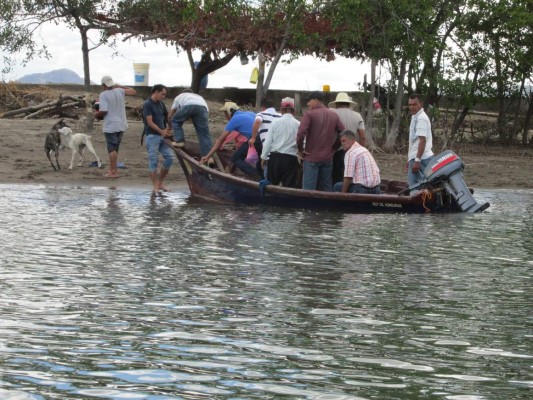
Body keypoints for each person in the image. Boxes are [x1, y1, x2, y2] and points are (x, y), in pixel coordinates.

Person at [297, 91, 345, 191]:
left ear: (316, 100)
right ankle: (326, 205)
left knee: (309, 189)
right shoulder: (333, 115)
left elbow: (301, 133)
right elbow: (343, 133)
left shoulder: (309, 114)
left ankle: (308, 206)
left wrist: (301, 150)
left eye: (309, 101)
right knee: (326, 187)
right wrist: (333, 148)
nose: (307, 103)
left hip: (311, 157)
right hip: (327, 157)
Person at [200, 101, 259, 179]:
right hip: (265, 138)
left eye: (225, 114)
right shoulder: (250, 113)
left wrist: (208, 156)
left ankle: (255, 175)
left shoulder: (234, 119)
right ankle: (261, 174)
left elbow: (221, 139)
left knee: (236, 158)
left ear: (229, 112)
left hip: (255, 139)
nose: (226, 116)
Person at [94, 75, 136, 178]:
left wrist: (96, 115)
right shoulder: (120, 91)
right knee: (115, 148)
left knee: (112, 149)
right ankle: (113, 169)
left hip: (111, 125)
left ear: (103, 85)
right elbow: (133, 91)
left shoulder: (103, 95)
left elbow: (103, 111)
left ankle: (113, 171)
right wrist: (120, 86)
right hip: (121, 124)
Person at [142, 84, 174, 198]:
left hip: (162, 136)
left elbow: (167, 117)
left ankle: (159, 183)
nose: (164, 96)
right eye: (162, 94)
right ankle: (155, 185)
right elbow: (149, 122)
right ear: (156, 92)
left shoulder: (161, 104)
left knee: (170, 158)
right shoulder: (147, 104)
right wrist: (162, 131)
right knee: (153, 160)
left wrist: (169, 129)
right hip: (152, 136)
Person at [261, 97, 300, 188]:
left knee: (271, 186)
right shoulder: (298, 124)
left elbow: (268, 142)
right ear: (293, 111)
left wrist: (263, 157)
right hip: (291, 159)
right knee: (289, 187)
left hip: (275, 158)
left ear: (282, 110)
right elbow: (302, 142)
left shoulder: (275, 122)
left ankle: (272, 201)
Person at [328, 92, 366, 184]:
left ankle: (336, 195)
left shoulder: (331, 113)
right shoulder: (358, 116)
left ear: (336, 103)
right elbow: (362, 136)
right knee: (351, 177)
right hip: (353, 151)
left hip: (336, 151)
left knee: (336, 177)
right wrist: (362, 151)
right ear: (349, 104)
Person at [169, 88, 213, 157]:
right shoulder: (199, 97)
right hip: (203, 108)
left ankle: (180, 141)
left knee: (175, 120)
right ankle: (208, 157)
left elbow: (170, 115)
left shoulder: (180, 96)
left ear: (183, 93)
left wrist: (169, 127)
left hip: (188, 106)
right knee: (204, 134)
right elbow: (201, 112)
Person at [249, 98, 281, 178]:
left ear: (263, 107)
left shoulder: (261, 114)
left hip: (268, 151)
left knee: (267, 177)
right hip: (280, 151)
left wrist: (253, 138)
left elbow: (257, 122)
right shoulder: (280, 115)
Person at [407, 93, 434, 190]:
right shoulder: (415, 116)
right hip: (417, 156)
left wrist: (417, 161)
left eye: (414, 104)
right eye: (410, 105)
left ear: (421, 104)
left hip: (421, 158)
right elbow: (413, 141)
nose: (411, 107)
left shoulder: (421, 118)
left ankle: (415, 204)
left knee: (414, 186)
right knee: (425, 185)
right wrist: (409, 158)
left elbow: (422, 141)